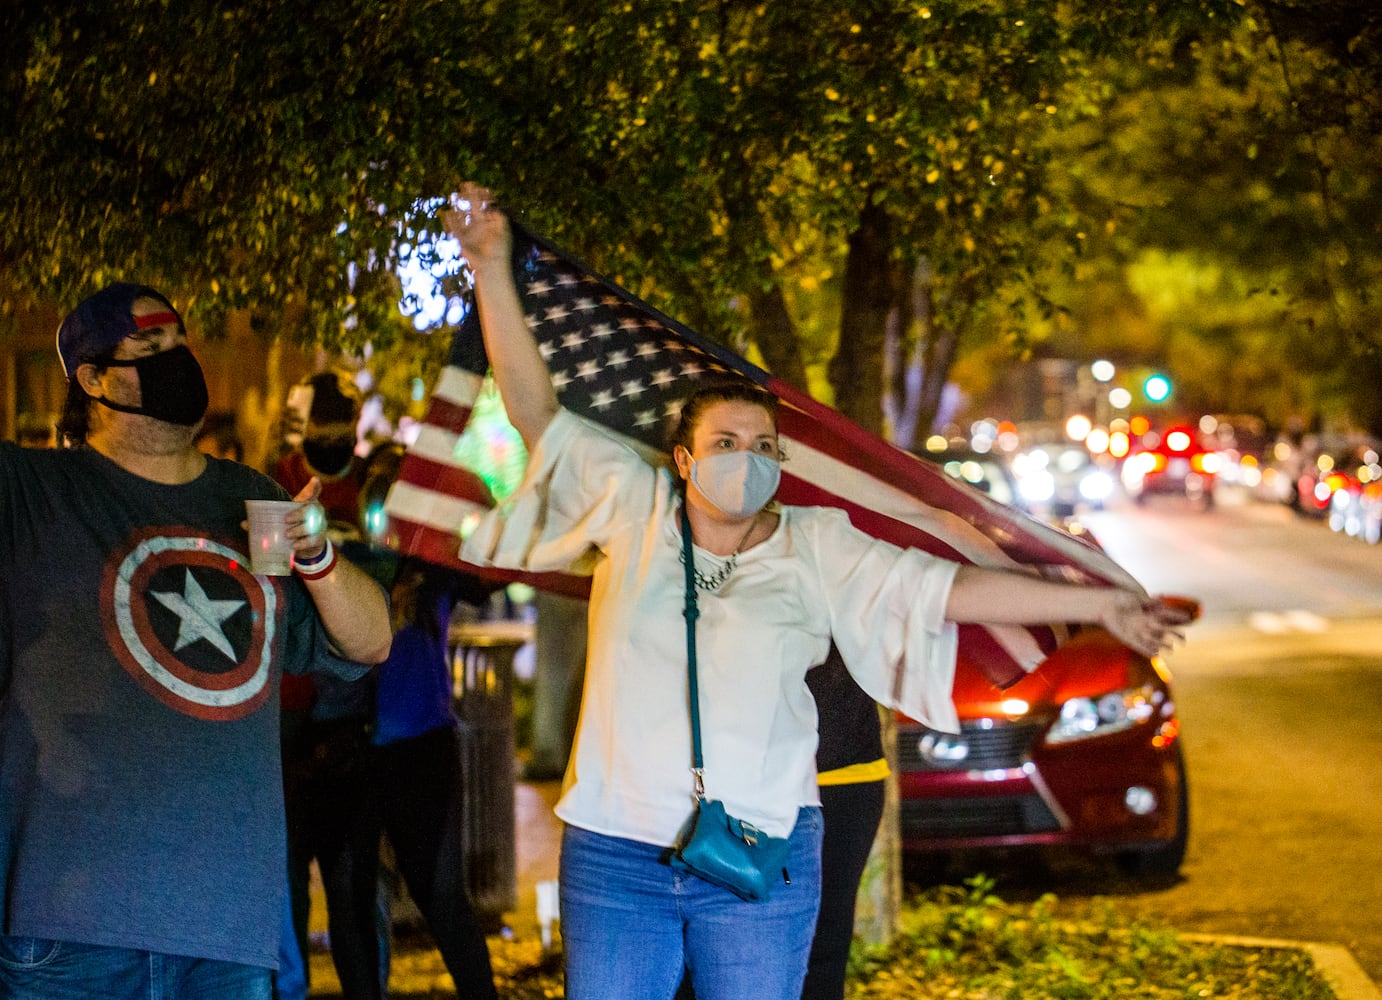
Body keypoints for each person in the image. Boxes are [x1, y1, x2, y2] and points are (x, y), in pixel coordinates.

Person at [442, 185, 1190, 1000]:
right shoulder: (635, 508)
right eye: (724, 442)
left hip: (763, 849)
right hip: (616, 854)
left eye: (762, 444)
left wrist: (1097, 605)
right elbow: (535, 410)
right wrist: (490, 269)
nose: (747, 457)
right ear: (683, 461)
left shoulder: (816, 545)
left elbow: (951, 592)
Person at [0, 282, 392, 999]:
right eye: (148, 350)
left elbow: (370, 643)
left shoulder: (254, 499)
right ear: (89, 380)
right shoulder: (31, 490)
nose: (176, 361)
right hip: (69, 932)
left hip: (227, 937)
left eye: (178, 344)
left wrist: (320, 558)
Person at [355, 444, 501, 1000]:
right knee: (357, 897)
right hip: (350, 739)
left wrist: (470, 504)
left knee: (440, 894)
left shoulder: (434, 565)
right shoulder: (345, 560)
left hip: (421, 746)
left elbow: (491, 578)